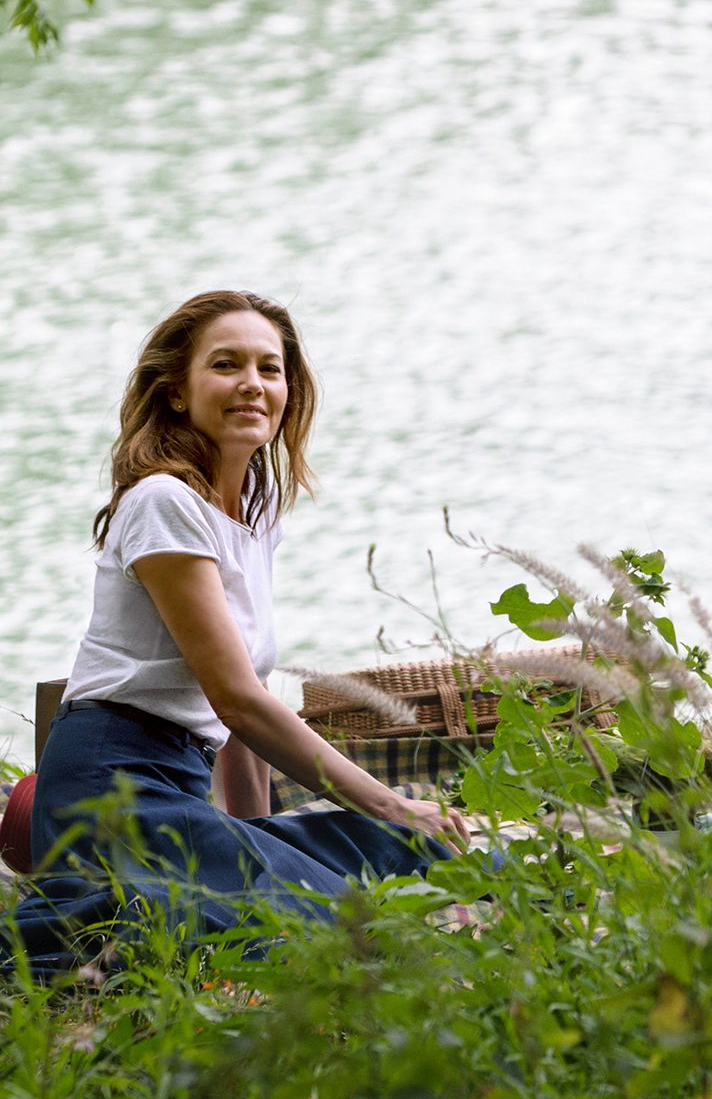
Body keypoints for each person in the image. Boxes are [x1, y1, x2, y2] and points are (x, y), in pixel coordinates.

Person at [5, 290, 469, 973]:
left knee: (409, 855)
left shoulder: (254, 512)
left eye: (270, 368)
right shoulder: (164, 502)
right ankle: (90, 920)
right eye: (226, 365)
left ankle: (161, 901)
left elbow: (238, 706)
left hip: (183, 793)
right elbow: (239, 699)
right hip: (115, 792)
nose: (253, 384)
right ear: (176, 391)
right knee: (345, 919)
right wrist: (389, 800)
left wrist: (256, 839)